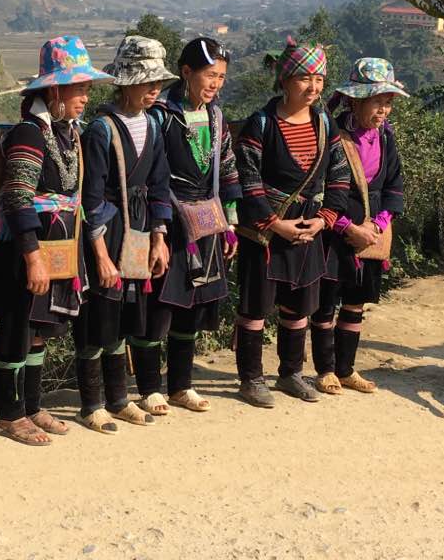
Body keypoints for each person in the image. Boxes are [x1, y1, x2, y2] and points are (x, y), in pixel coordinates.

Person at [0, 35, 114, 445]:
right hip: (23, 248)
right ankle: (8, 413)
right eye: (80, 88)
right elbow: (17, 194)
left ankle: (32, 405)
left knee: (39, 328)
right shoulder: (29, 133)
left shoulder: (67, 132)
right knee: (17, 325)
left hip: (56, 246)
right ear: (54, 89)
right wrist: (32, 256)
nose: (86, 97)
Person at [128, 37, 243, 415]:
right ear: (187, 72)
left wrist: (230, 221)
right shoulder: (162, 114)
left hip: (206, 220)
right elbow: (151, 169)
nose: (215, 84)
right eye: (210, 75)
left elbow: (226, 168)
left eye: (222, 77)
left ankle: (181, 384)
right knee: (159, 304)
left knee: (192, 305)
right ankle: (149, 387)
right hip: (169, 218)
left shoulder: (216, 116)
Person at [234, 37, 350, 407]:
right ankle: (251, 378)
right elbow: (247, 179)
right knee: (255, 308)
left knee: (299, 306)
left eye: (318, 79)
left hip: (309, 229)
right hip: (267, 234)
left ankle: (290, 373)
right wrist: (272, 222)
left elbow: (340, 176)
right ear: (284, 79)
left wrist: (325, 219)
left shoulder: (324, 124)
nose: (313, 87)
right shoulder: (261, 124)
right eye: (304, 78)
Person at [76, 36, 175, 434]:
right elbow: (91, 196)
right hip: (108, 232)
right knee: (97, 315)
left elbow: (159, 184)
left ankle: (118, 399)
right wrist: (99, 252)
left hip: (137, 229)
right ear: (124, 82)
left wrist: (159, 236)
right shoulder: (102, 130)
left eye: (158, 83)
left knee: (122, 316)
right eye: (146, 82)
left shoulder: (153, 124)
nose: (154, 90)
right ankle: (91, 404)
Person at [310, 58, 407, 395]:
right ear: (355, 100)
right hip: (337, 231)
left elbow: (394, 185)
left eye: (388, 102)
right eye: (377, 101)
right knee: (326, 303)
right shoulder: (333, 136)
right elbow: (319, 188)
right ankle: (325, 370)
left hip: (371, 233)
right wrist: (348, 227)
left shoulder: (385, 138)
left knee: (354, 303)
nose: (383, 110)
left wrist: (380, 223)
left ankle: (346, 369)